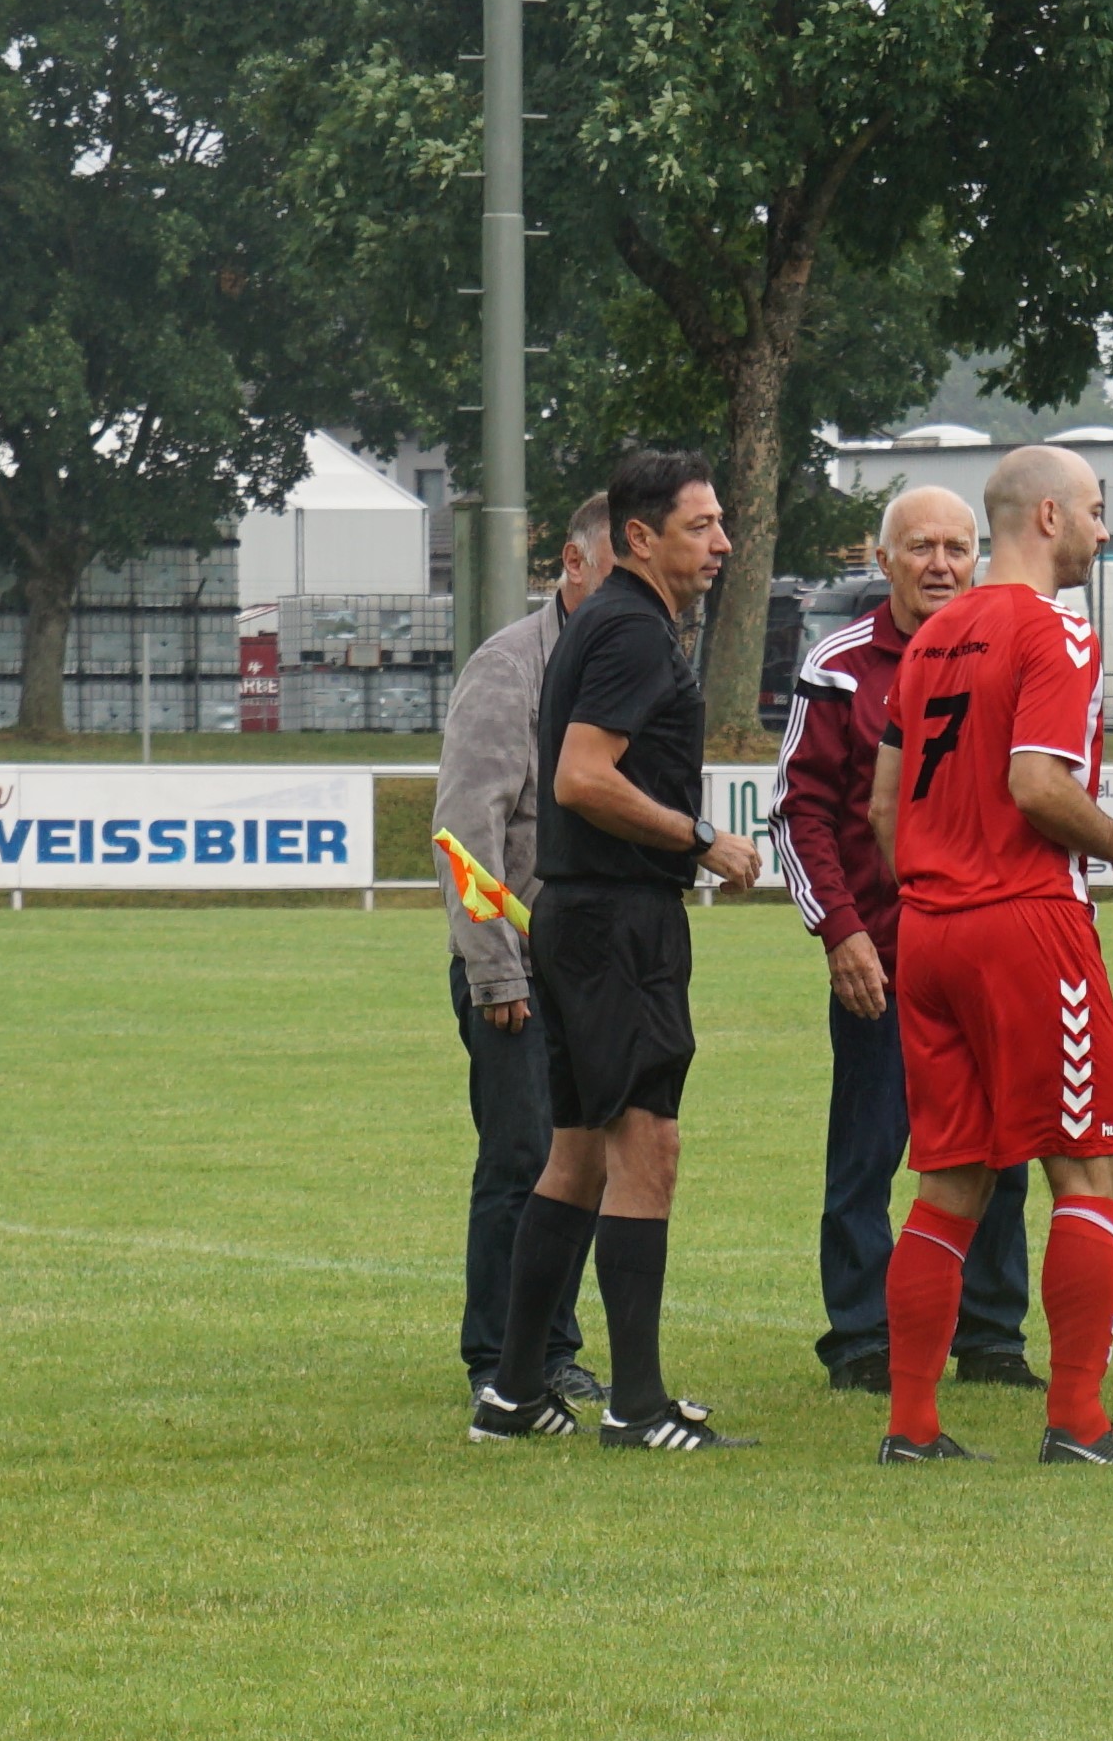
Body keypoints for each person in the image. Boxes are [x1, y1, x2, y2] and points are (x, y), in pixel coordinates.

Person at [867, 445, 1113, 1465]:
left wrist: (938, 879)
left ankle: (912, 1425)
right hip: (1024, 920)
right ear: (1047, 515)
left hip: (928, 926)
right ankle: (1078, 1422)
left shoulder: (929, 635)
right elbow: (1038, 783)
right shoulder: (1055, 629)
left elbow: (880, 806)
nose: (1101, 528)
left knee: (950, 1176)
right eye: (1093, 509)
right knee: (1088, 1163)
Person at [471, 449, 765, 1449]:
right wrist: (700, 838)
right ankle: (635, 1405)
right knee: (649, 1144)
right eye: (700, 525)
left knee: (579, 1152)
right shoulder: (634, 630)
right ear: (639, 537)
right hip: (615, 922)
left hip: (582, 918)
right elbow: (581, 778)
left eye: (720, 523)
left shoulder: (610, 625)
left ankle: (513, 1391)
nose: (721, 542)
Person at [769, 486, 1037, 1395]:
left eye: (957, 547)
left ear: (979, 557)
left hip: (989, 948)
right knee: (870, 1152)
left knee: (1002, 1145)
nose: (939, 564)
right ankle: (861, 1337)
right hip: (883, 959)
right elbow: (797, 810)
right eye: (918, 546)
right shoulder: (841, 665)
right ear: (880, 561)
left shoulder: (1013, 652)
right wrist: (839, 932)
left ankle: (993, 1333)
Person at [434, 492, 612, 1412]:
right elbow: (467, 829)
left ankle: (552, 1346)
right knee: (521, 1155)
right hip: (518, 965)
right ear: (572, 566)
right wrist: (494, 966)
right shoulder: (509, 668)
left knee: (581, 1157)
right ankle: (498, 1357)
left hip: (589, 968)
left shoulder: (619, 665)